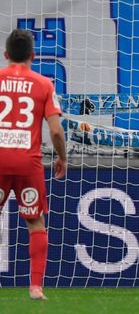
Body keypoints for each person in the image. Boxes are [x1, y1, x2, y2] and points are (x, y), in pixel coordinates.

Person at [0, 29, 67, 300]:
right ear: (33, 55)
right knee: (35, 222)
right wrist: (62, 157)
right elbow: (56, 132)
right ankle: (36, 287)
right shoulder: (43, 84)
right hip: (29, 163)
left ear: (6, 55)